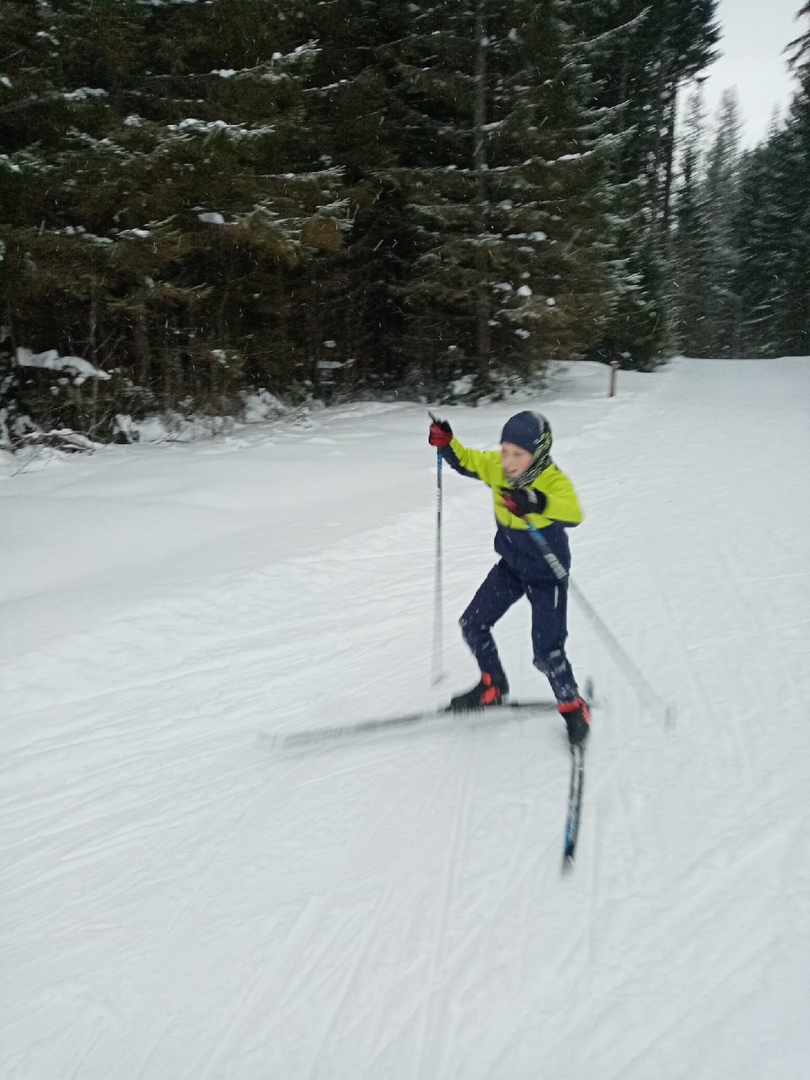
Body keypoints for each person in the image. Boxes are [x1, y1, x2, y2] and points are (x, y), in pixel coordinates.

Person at [428, 410, 590, 745]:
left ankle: (573, 706)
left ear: (539, 454)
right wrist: (447, 445)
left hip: (547, 575)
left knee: (547, 652)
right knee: (472, 623)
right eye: (504, 450)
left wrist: (535, 501)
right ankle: (493, 684)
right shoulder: (496, 466)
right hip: (512, 568)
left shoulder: (551, 481)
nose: (508, 460)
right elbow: (467, 460)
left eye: (518, 454)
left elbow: (573, 512)